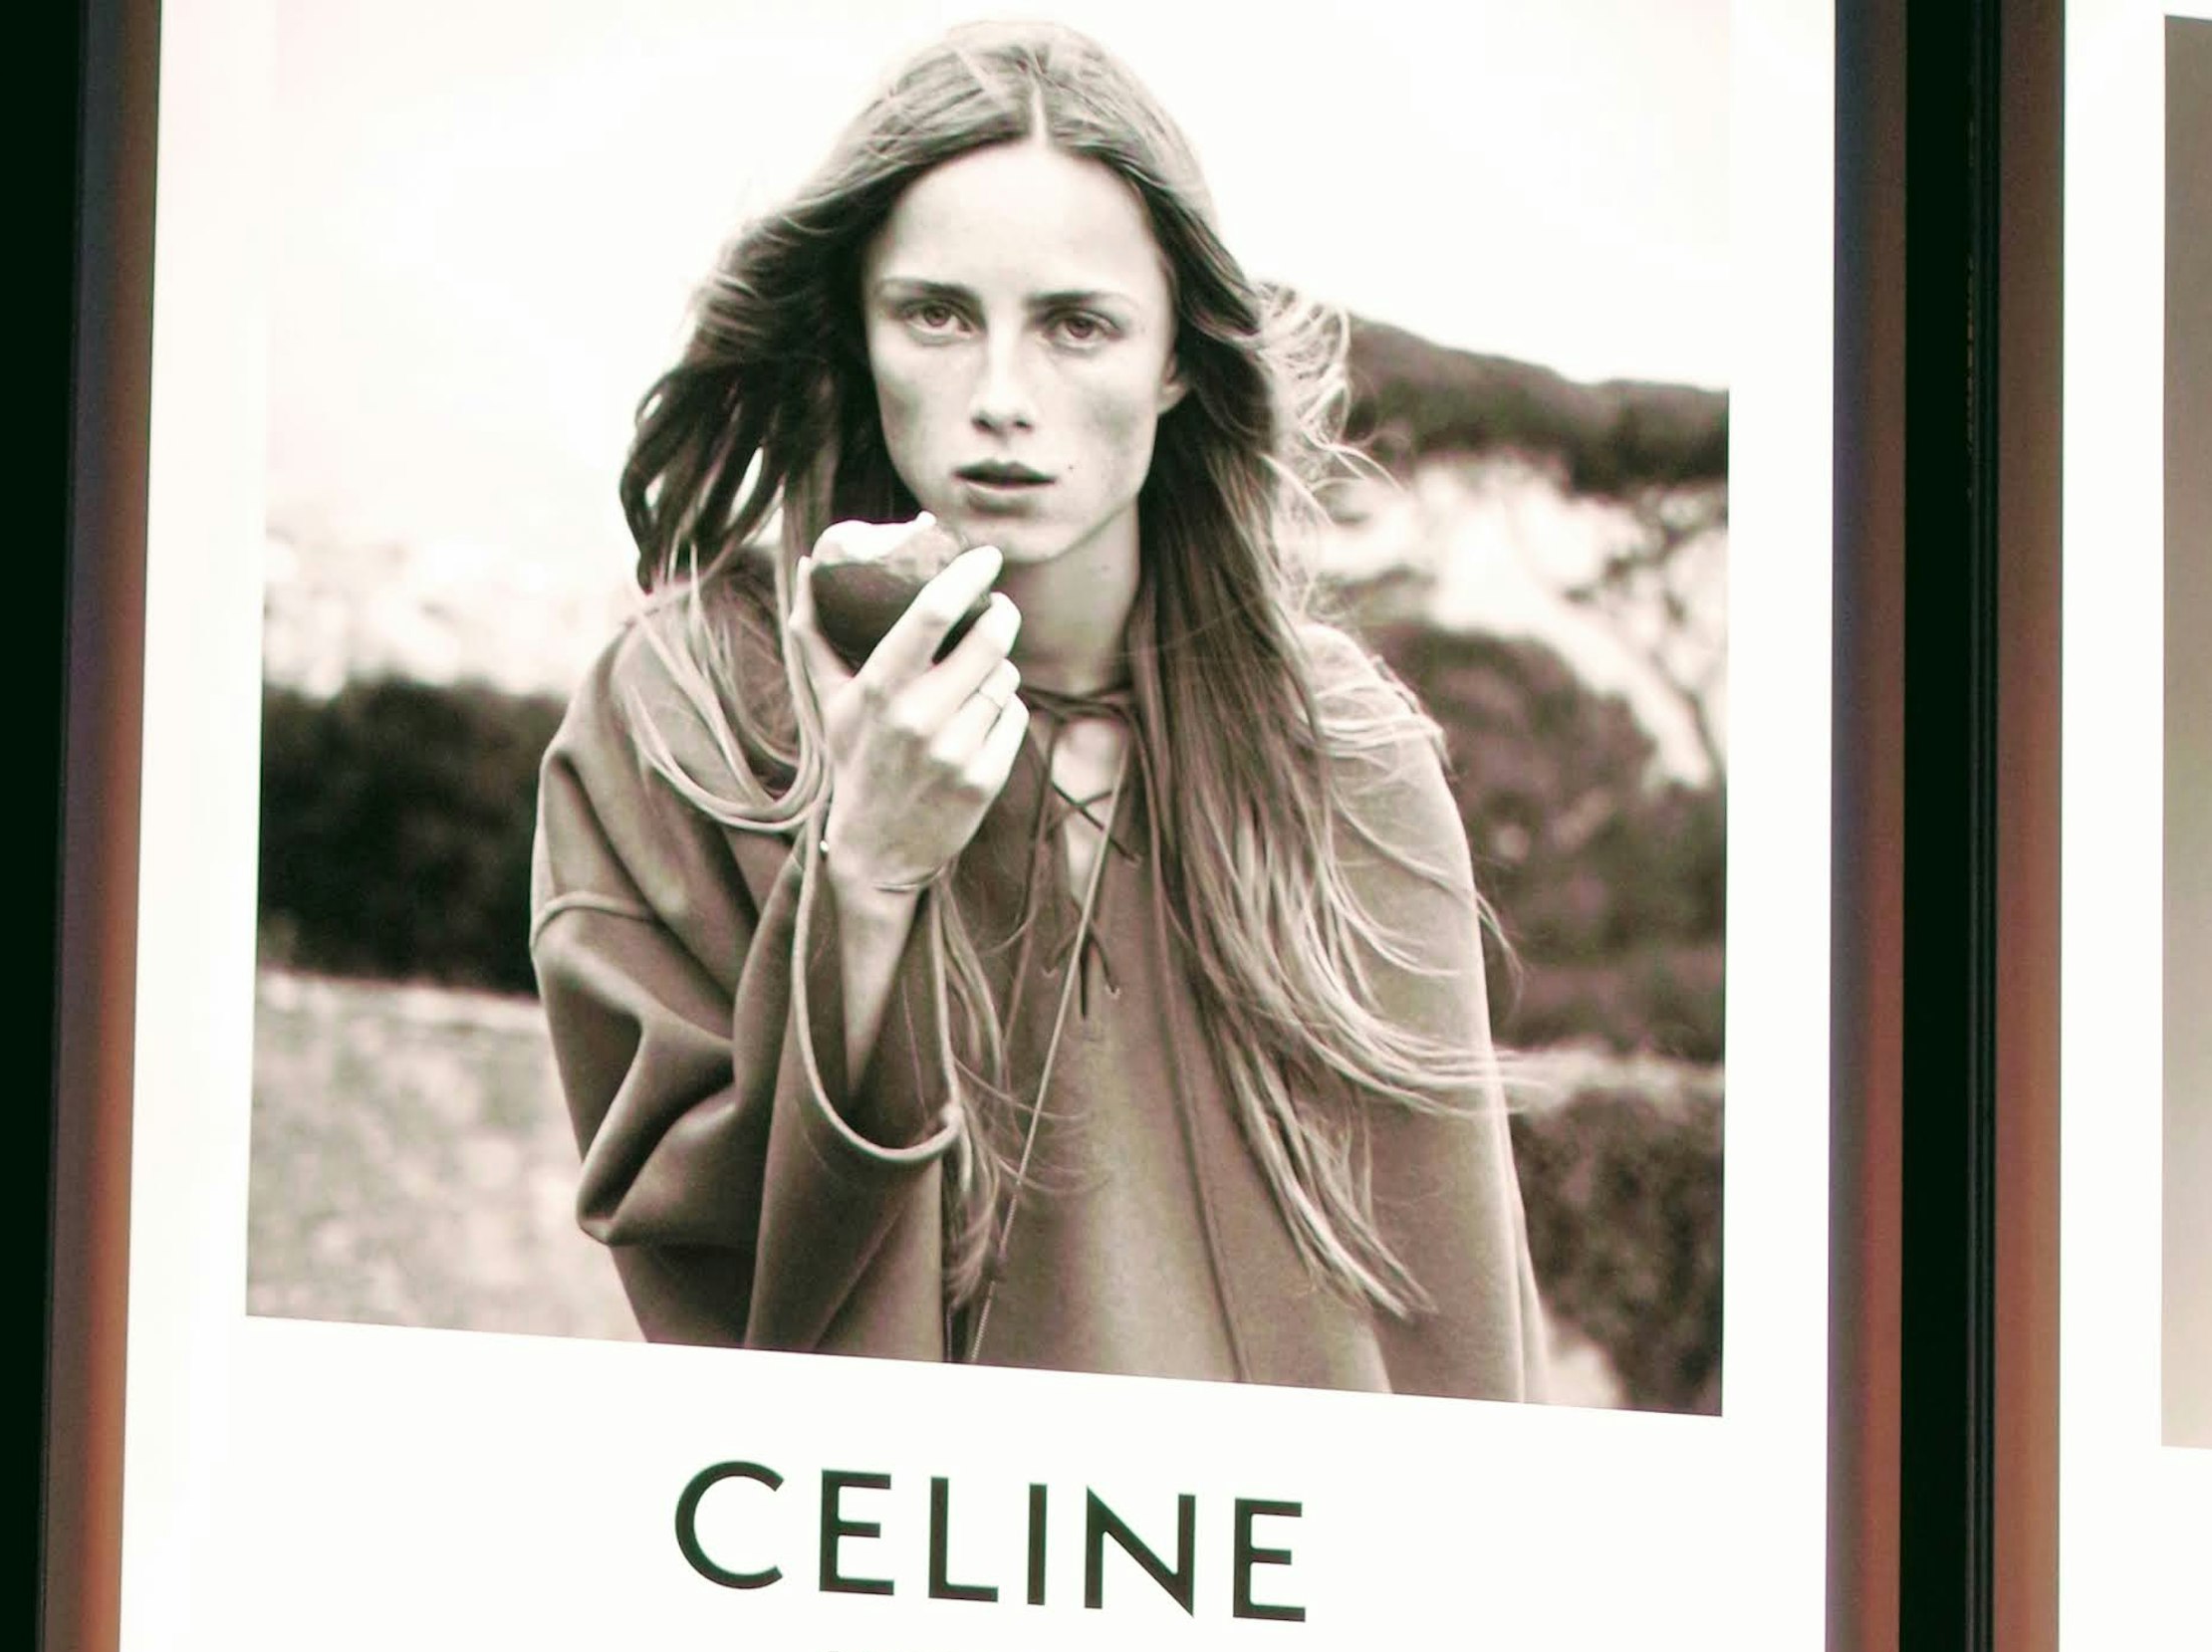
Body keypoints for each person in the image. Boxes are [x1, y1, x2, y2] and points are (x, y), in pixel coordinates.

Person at [533, 23, 1540, 1393]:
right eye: (937, 315)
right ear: (855, 326)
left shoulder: (1343, 760)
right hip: (865, 1583)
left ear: (1178, 357)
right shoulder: (682, 719)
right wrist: (868, 874)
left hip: (1274, 1591)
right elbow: (717, 1296)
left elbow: (1466, 1357)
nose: (1003, 401)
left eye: (1079, 325)